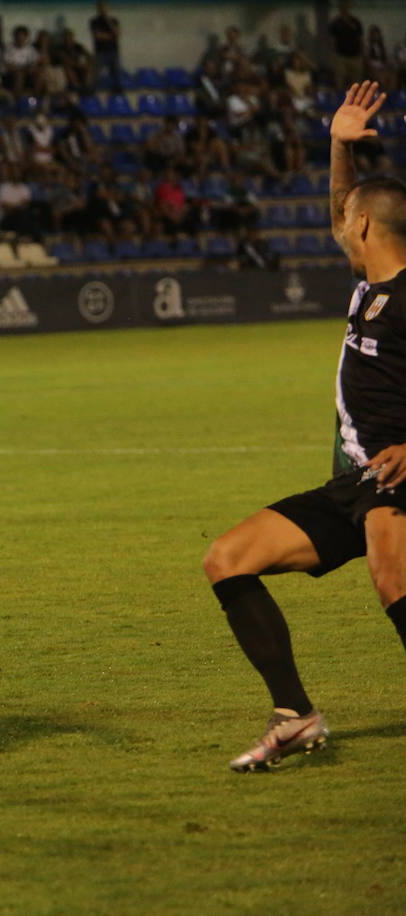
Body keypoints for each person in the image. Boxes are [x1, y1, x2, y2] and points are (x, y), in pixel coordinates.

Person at [202, 82, 406, 772]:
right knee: (227, 559)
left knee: (393, 576)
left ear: (370, 229)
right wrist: (339, 145)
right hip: (355, 480)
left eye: (350, 218)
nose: (340, 223)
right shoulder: (369, 281)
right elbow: (341, 213)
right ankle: (296, 716)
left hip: (397, 479)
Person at [89, 1, 122, 93]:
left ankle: (117, 92)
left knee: (116, 74)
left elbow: (117, 34)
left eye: (104, 8)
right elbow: (98, 36)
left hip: (113, 52)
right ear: (98, 9)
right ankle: (91, 91)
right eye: (101, 8)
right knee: (95, 74)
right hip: (100, 52)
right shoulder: (94, 21)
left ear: (107, 9)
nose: (102, 10)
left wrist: (108, 21)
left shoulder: (114, 20)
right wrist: (111, 36)